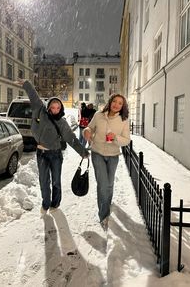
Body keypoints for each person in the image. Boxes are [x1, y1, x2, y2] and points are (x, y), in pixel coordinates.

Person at [17, 79, 89, 216]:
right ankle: (45, 203)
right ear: (49, 106)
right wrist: (26, 84)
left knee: (56, 181)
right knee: (44, 181)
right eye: (53, 107)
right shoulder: (40, 112)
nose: (55, 110)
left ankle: (55, 203)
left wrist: (82, 151)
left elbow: (71, 139)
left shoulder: (62, 123)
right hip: (42, 154)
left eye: (58, 108)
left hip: (55, 154)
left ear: (60, 109)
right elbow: (34, 96)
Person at [83, 94, 130, 230]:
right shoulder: (99, 115)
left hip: (113, 155)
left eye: (120, 103)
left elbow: (126, 140)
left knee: (109, 185)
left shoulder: (124, 120)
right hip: (97, 153)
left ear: (123, 106)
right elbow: (90, 128)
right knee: (103, 185)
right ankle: (103, 215)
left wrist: (115, 137)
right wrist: (87, 131)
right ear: (110, 102)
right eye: (114, 101)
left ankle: (106, 206)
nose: (116, 104)